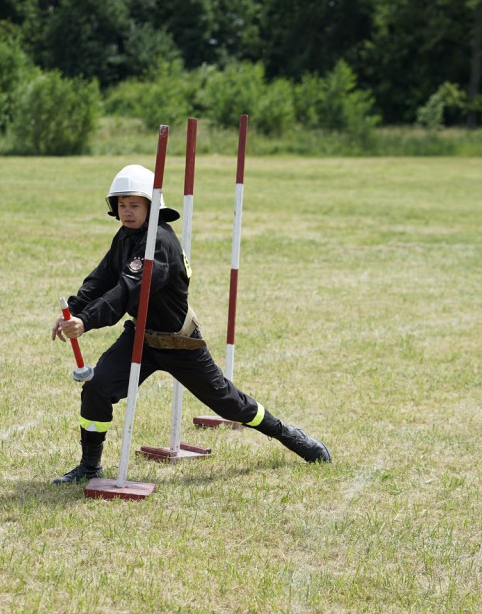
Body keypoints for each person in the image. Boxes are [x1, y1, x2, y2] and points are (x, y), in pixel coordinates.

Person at [51, 164, 331, 484]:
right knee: (97, 388)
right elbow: (102, 277)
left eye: (135, 205)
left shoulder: (158, 244)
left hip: (180, 343)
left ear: (152, 206)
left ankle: (289, 435)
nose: (127, 212)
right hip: (141, 336)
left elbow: (129, 290)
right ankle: (89, 466)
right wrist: (72, 310)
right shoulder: (127, 235)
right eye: (122, 204)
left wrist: (87, 321)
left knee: (231, 405)